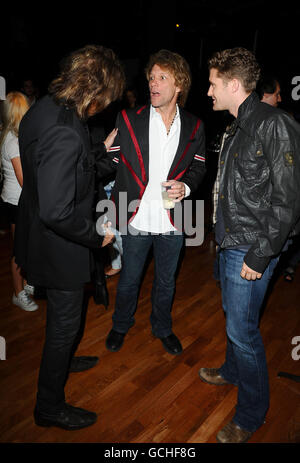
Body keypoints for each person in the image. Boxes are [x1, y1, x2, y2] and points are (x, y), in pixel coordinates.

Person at [14, 45, 125, 430]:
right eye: (106, 99)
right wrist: (98, 236)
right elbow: (57, 209)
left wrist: (98, 150)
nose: (105, 106)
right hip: (59, 246)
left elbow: (59, 167)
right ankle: (48, 406)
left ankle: (62, 357)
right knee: (65, 323)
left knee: (64, 323)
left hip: (37, 236)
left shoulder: (45, 108)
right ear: (95, 91)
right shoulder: (65, 130)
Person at [198, 47, 300, 443]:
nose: (208, 91)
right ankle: (231, 370)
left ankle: (252, 414)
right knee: (233, 317)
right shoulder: (236, 125)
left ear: (234, 85)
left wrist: (260, 254)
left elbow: (288, 199)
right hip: (231, 241)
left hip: (252, 247)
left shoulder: (274, 124)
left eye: (213, 83)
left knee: (243, 330)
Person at [99, 49, 206, 356]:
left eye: (162, 77)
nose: (154, 83)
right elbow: (108, 163)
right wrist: (86, 159)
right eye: (151, 77)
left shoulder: (195, 126)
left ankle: (162, 327)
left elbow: (199, 166)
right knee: (130, 279)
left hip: (174, 220)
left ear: (179, 85)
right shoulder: (129, 120)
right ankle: (120, 324)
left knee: (166, 282)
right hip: (136, 219)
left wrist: (186, 186)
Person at [0, 91, 38, 311]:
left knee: (25, 247)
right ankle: (17, 293)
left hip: (16, 201)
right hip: (16, 202)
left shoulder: (12, 136)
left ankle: (24, 284)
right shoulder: (13, 141)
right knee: (18, 251)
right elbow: (25, 180)